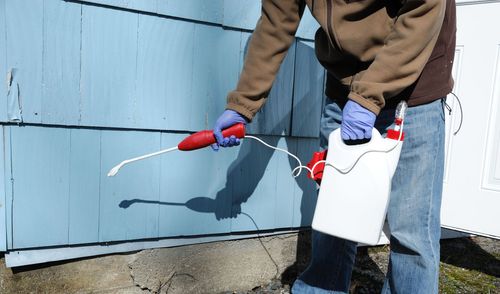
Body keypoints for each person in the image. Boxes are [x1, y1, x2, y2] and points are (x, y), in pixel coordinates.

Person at [212, 0, 456, 293]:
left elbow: (423, 9)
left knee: (411, 232)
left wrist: (370, 96)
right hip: (346, 84)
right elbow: (277, 23)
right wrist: (243, 103)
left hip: (414, 82)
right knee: (334, 218)